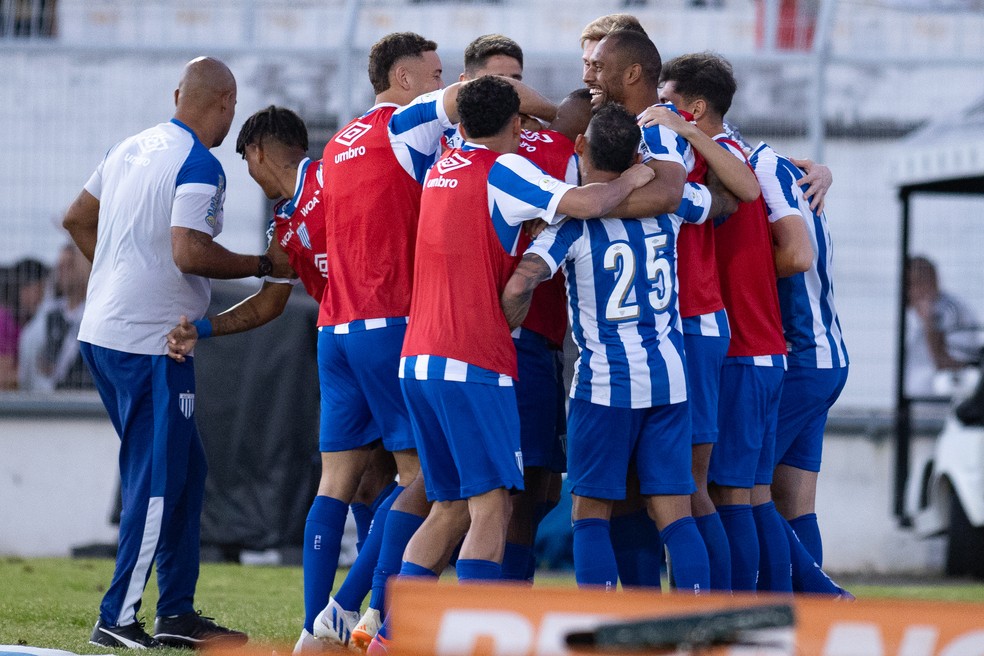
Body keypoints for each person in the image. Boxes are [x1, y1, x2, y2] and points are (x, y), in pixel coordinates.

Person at [370, 75, 653, 654]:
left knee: (447, 508)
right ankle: (474, 640)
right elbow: (588, 202)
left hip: (418, 360)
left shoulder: (441, 166)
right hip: (472, 361)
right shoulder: (506, 168)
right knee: (492, 506)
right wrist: (638, 174)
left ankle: (389, 640)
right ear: (517, 126)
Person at [311, 33, 558, 652]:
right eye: (435, 73)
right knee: (434, 487)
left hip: (335, 325)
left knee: (342, 484)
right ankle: (361, 614)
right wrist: (551, 112)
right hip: (404, 324)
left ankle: (325, 623)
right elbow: (470, 101)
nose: (441, 84)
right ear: (402, 78)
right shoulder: (410, 125)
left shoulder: (340, 141)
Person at [162, 105, 398, 655]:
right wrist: (206, 327)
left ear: (260, 152)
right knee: (399, 480)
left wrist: (207, 324)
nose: (249, 174)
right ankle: (343, 616)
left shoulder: (323, 188)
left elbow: (273, 297)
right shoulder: (294, 213)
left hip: (346, 336)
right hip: (372, 336)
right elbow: (271, 300)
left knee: (363, 480)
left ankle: (337, 621)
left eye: (245, 161)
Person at [62, 56, 280, 650]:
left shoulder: (129, 146)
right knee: (158, 480)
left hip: (106, 331)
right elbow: (189, 253)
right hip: (150, 343)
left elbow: (77, 218)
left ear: (179, 92)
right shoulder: (199, 164)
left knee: (185, 474)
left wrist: (118, 272)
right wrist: (263, 265)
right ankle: (118, 616)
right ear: (227, 105)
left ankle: (176, 614)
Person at [502, 101, 712, 593]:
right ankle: (702, 629)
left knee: (590, 515)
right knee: (676, 517)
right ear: (637, 155)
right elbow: (719, 201)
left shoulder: (570, 225)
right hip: (669, 379)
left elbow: (519, 286)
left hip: (606, 385)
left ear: (579, 148)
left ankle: (599, 626)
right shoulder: (670, 207)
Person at [748, 140, 850, 580]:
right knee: (794, 500)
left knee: (740, 488)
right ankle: (810, 620)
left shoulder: (760, 169)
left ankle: (822, 596)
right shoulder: (779, 167)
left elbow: (795, 255)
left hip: (799, 359)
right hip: (826, 357)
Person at [17, 242, 94, 391]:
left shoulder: (91, 313)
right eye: (60, 266)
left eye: (70, 265)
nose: (63, 271)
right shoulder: (49, 313)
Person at [905, 255, 978, 398]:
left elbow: (957, 366)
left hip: (936, 405)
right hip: (915, 404)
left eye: (912, 284)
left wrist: (929, 325)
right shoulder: (913, 316)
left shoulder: (951, 312)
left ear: (931, 282)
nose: (908, 291)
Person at [0, 258, 49, 389]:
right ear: (24, 289)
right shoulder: (4, 321)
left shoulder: (34, 322)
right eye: (40, 289)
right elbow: (4, 378)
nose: (42, 297)